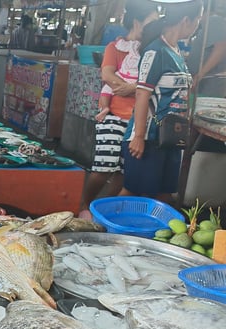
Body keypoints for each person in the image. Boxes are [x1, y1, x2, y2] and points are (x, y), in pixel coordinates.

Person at [79, 1, 159, 219]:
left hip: (138, 122)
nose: (156, 25)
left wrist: (131, 88)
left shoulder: (151, 50)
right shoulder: (114, 48)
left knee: (124, 173)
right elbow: (107, 75)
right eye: (152, 20)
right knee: (103, 166)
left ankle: (100, 208)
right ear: (137, 22)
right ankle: (84, 204)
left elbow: (152, 83)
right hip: (113, 114)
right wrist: (132, 88)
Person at [119, 0, 203, 204]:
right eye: (198, 20)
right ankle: (105, 229)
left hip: (170, 138)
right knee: (133, 192)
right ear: (186, 20)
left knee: (164, 195)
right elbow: (142, 95)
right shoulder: (155, 51)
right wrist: (138, 136)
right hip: (149, 138)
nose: (198, 25)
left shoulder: (176, 51)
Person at [188, 3, 226, 97]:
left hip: (209, 82)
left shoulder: (214, 20)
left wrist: (198, 76)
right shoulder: (209, 24)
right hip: (205, 82)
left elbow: (220, 49)